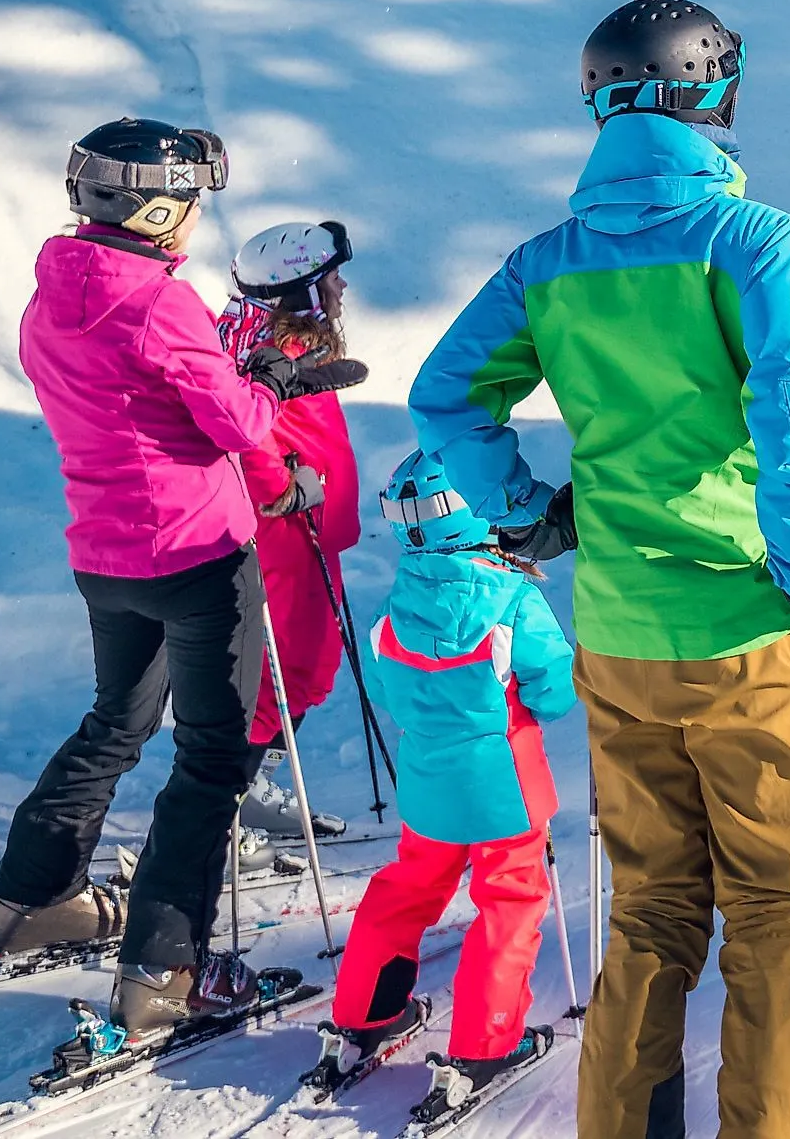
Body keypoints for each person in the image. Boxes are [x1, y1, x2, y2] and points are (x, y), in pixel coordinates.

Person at [410, 0, 790, 1139]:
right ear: (706, 93)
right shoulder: (751, 239)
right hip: (744, 629)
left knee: (654, 904)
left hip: (616, 632)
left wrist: (529, 511)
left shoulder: (546, 262)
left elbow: (445, 397)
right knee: (773, 903)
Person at [0, 117, 367, 1041]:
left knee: (117, 720)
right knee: (210, 758)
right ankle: (167, 967)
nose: (196, 215)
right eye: (190, 198)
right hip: (195, 555)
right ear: (156, 207)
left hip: (105, 552)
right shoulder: (161, 302)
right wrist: (274, 377)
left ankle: (33, 897)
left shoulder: (50, 298)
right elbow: (237, 421)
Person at [325, 450, 576, 1119]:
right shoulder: (514, 597)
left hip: (429, 789)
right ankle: (485, 1041)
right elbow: (554, 686)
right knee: (508, 901)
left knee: (408, 886)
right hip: (503, 789)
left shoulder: (396, 606)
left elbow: (389, 687)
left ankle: (366, 1008)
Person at [216, 219, 362, 839]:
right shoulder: (268, 355)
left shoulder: (292, 348)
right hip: (284, 529)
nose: (341, 288)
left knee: (308, 665)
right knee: (283, 672)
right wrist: (280, 492)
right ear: (300, 293)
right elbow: (246, 432)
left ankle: (248, 787)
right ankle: (223, 807)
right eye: (330, 279)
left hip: (311, 524)